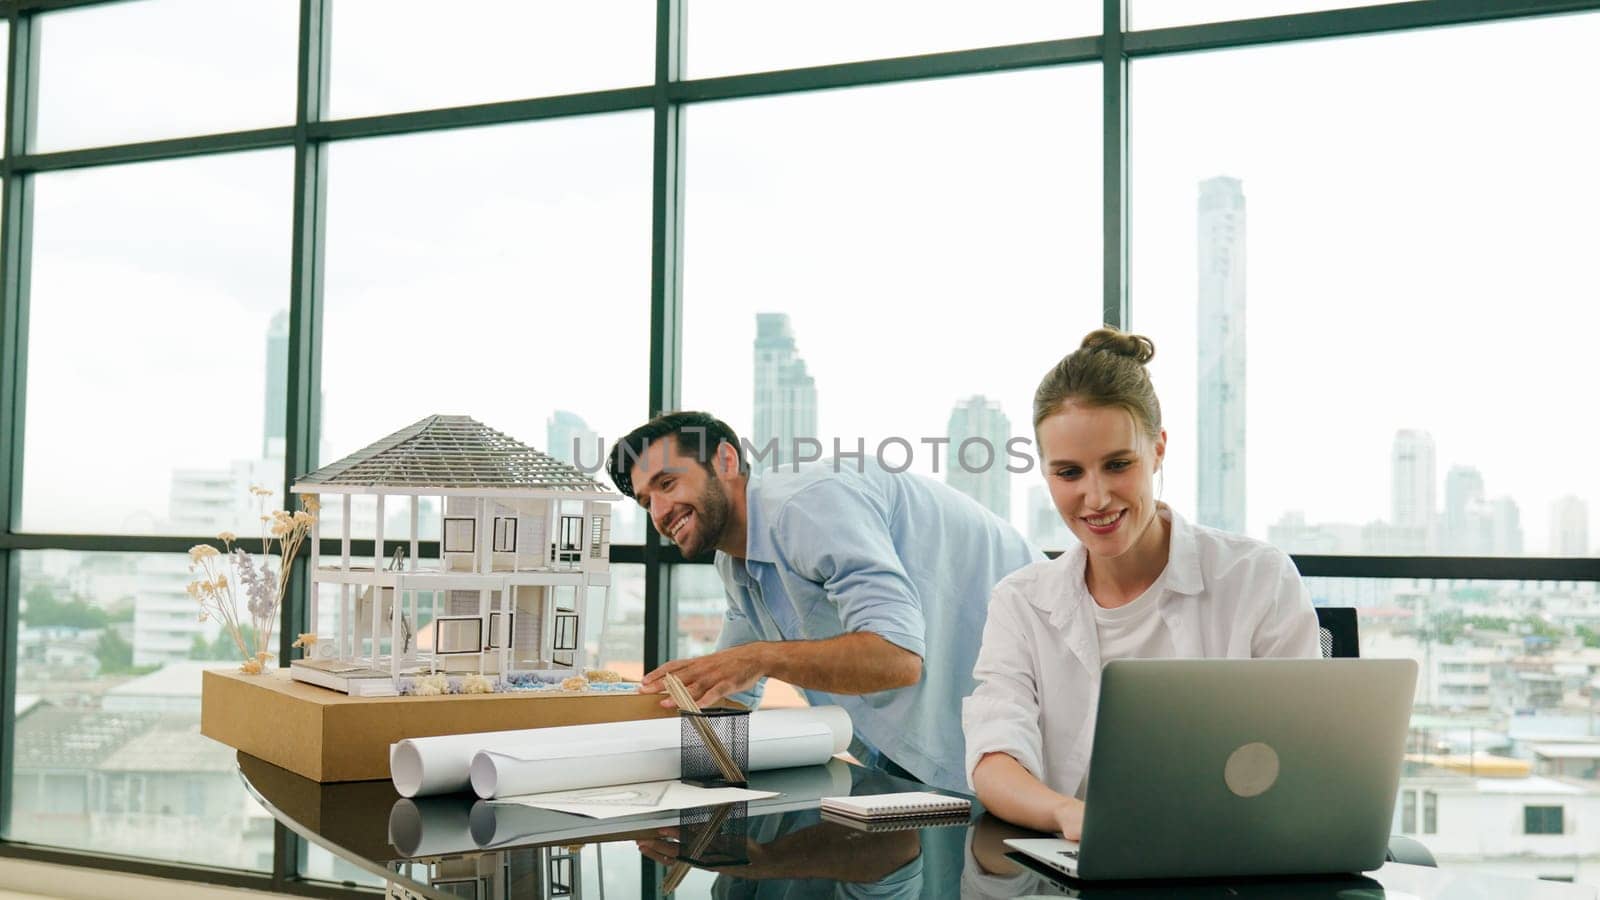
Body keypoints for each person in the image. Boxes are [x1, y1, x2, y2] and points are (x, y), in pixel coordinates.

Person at [962, 328, 1319, 838]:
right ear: (1045, 474)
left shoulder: (1257, 578)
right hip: (1077, 861)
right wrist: (1070, 815)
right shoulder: (1021, 602)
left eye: (1118, 465)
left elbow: (1304, 754)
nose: (1096, 497)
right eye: (1069, 473)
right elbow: (995, 758)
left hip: (1234, 852)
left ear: (1157, 450)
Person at [607, 411, 1041, 793]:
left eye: (668, 483)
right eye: (647, 502)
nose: (660, 512)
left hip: (1036, 706)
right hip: (926, 757)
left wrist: (758, 658)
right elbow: (731, 696)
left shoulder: (806, 505)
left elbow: (898, 658)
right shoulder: (734, 565)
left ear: (725, 460)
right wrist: (636, 747)